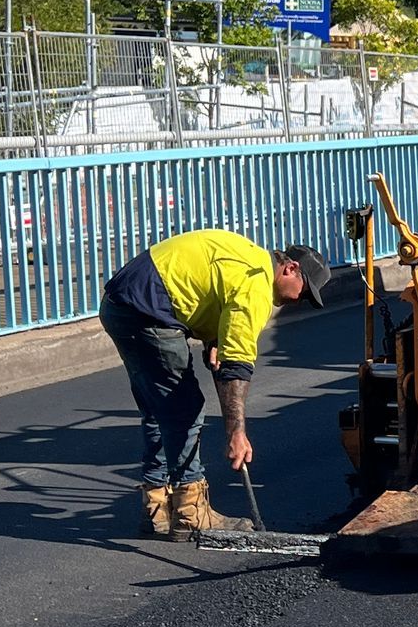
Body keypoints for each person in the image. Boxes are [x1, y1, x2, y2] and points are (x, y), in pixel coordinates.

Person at [99, 230, 332, 537]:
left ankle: (156, 509)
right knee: (185, 408)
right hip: (148, 311)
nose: (299, 301)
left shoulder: (249, 255)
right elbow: (236, 368)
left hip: (121, 305)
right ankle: (190, 512)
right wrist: (236, 432)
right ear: (290, 269)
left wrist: (212, 336)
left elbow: (205, 286)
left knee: (159, 410)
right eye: (303, 292)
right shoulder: (257, 285)